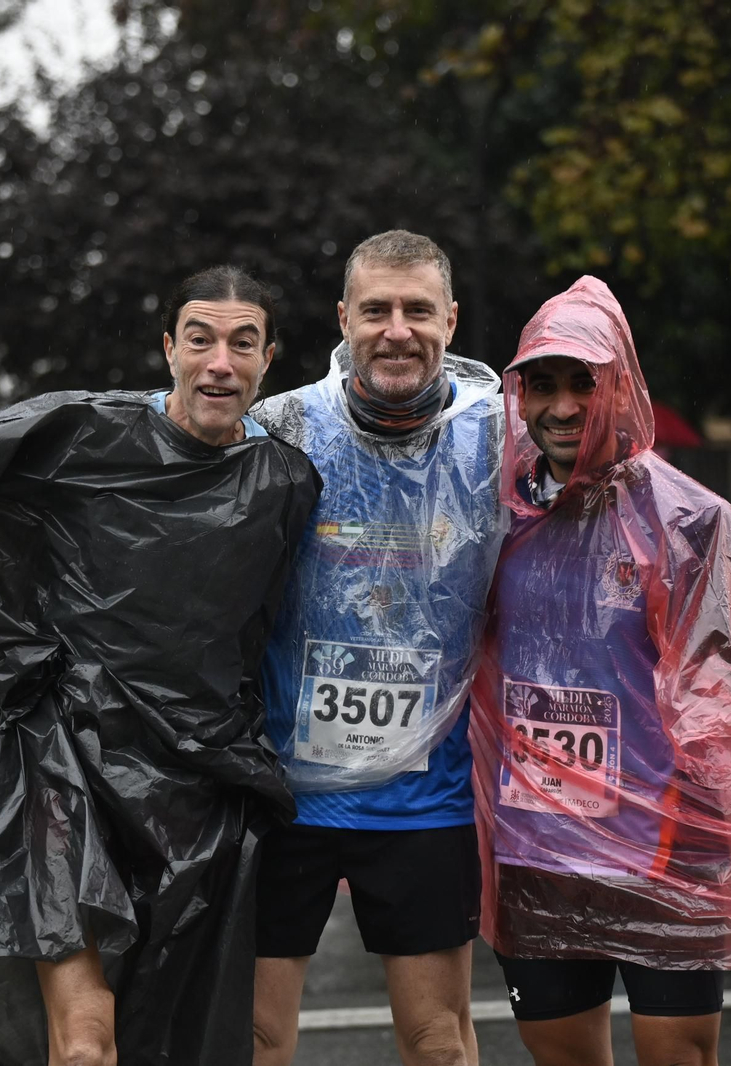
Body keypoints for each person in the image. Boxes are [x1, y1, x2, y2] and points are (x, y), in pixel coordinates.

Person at [0, 265, 321, 1066]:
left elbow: (259, 633)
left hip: (198, 785)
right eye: (200, 339)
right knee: (87, 1044)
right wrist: (11, 653)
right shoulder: (83, 431)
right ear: (169, 349)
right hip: (69, 764)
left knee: (166, 1038)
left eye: (242, 343)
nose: (219, 362)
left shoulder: (285, 483)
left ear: (268, 361)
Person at [470, 278, 731, 1066]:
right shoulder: (496, 516)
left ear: (619, 388)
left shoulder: (687, 522)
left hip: (665, 847)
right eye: (543, 384)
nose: (562, 407)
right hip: (538, 850)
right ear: (518, 394)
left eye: (583, 383)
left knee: (679, 1057)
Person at [250, 231, 506, 1066]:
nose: (397, 330)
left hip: (424, 797)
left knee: (437, 1042)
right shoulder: (282, 426)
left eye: (418, 311)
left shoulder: (496, 437)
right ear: (343, 319)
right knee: (253, 1039)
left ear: (451, 321)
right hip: (283, 795)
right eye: (376, 311)